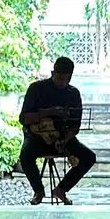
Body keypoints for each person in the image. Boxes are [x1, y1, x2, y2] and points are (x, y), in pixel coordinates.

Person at [18, 56, 97, 205]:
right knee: (25, 155)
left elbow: (76, 126)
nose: (61, 82)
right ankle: (38, 191)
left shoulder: (73, 94)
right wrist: (49, 112)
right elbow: (24, 118)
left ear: (70, 78)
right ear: (52, 73)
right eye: (59, 78)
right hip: (37, 137)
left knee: (89, 157)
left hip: (62, 137)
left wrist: (64, 139)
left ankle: (61, 189)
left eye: (65, 79)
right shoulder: (36, 89)